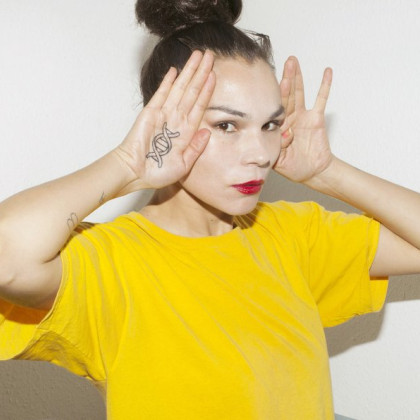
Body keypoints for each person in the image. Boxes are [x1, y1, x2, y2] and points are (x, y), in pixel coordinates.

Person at [0, 0, 420, 418]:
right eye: (227, 125)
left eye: (270, 125)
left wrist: (328, 173)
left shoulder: (293, 235)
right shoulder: (113, 261)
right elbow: (8, 262)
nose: (260, 154)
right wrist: (126, 165)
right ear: (164, 125)